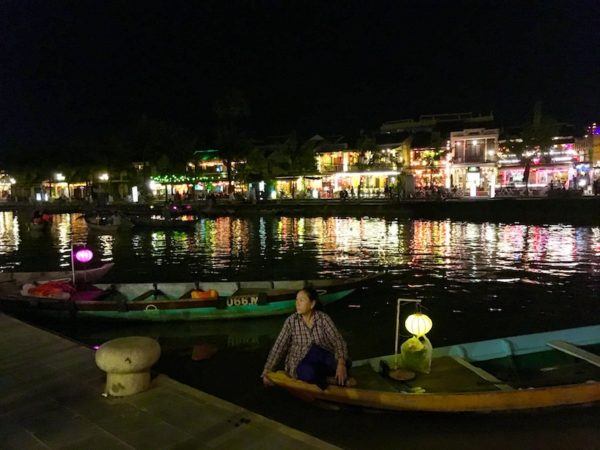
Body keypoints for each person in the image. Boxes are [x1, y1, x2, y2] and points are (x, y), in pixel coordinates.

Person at [261, 288, 353, 390]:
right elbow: (279, 347)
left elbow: (337, 341)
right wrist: (267, 371)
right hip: (301, 365)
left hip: (320, 359)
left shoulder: (323, 319)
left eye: (301, 300)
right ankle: (330, 380)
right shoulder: (291, 321)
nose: (297, 303)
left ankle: (332, 375)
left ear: (312, 304)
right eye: (296, 300)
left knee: (339, 360)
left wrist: (341, 363)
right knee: (307, 372)